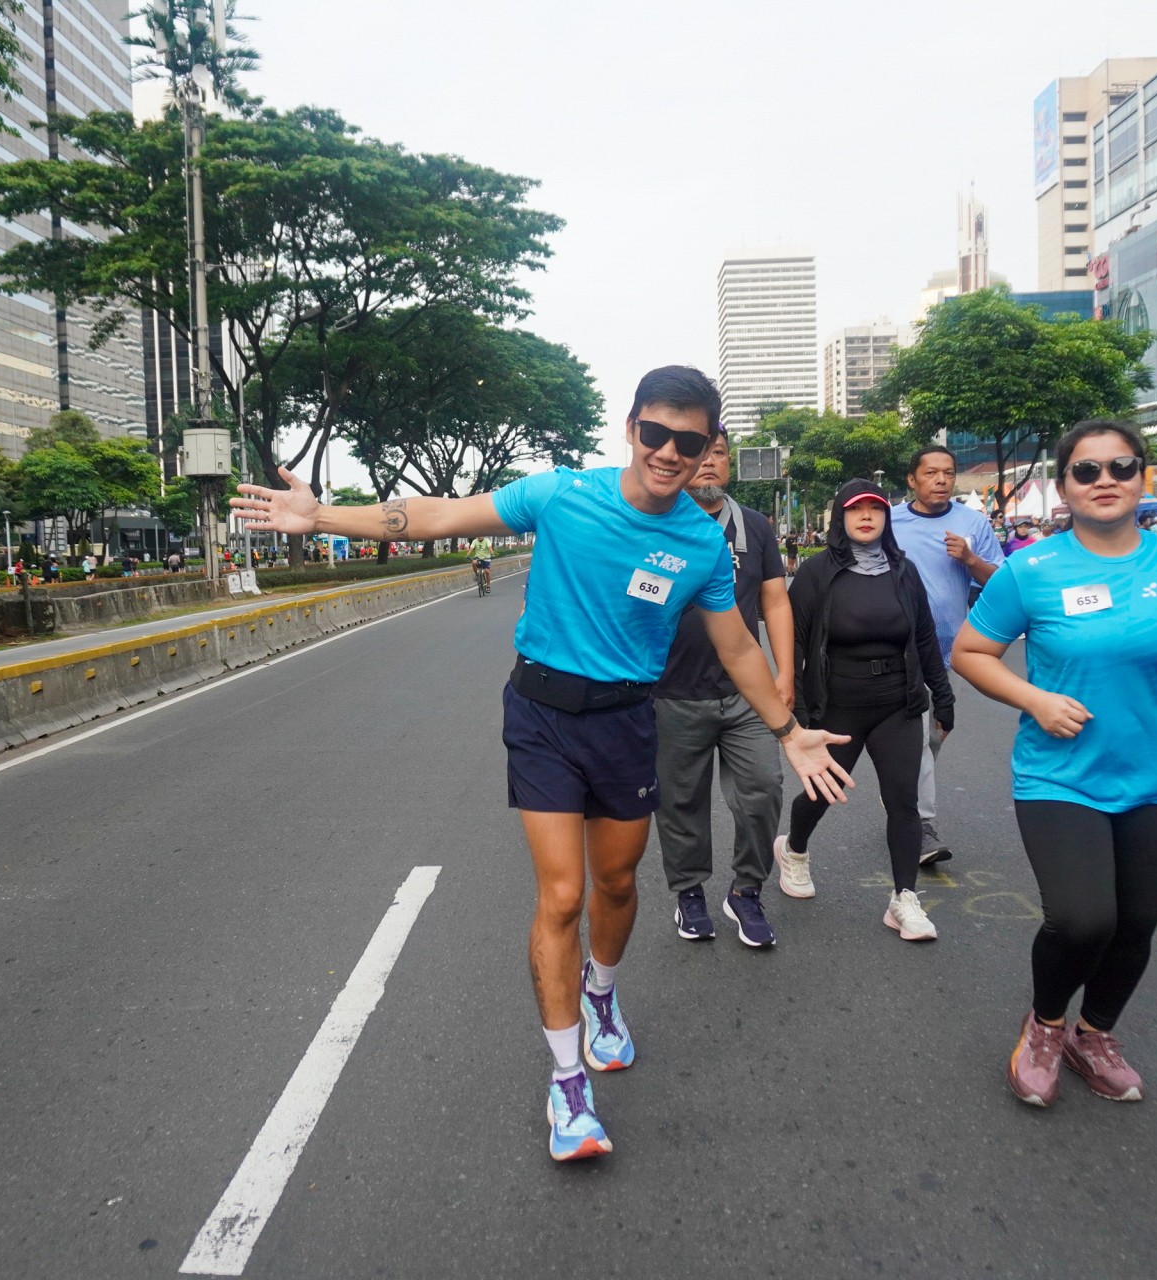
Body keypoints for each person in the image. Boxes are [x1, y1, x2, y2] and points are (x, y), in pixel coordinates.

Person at [230, 365, 854, 1162]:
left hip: (628, 721)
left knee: (617, 884)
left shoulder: (699, 542)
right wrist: (321, 515)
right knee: (562, 895)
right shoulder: (562, 494)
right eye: (655, 433)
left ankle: (602, 991)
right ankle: (567, 1084)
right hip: (541, 716)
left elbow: (735, 646)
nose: (669, 452)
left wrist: (787, 729)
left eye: (688, 441)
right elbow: (438, 513)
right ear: (631, 428)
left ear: (706, 451)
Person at [952, 420, 1157, 1108]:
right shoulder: (1031, 569)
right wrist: (1036, 700)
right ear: (1064, 486)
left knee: (1135, 926)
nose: (1104, 480)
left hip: (1152, 780)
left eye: (1121, 466)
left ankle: (1094, 1034)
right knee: (1083, 920)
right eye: (1086, 470)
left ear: (1142, 476)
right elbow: (969, 652)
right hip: (1058, 776)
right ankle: (1046, 1026)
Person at [780, 480, 954, 942]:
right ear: (841, 517)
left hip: (898, 704)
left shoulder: (903, 570)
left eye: (875, 509)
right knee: (821, 793)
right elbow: (793, 643)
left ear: (886, 518)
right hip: (837, 705)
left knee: (904, 801)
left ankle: (904, 899)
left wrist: (943, 697)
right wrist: (798, 711)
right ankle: (794, 850)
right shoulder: (816, 572)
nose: (866, 517)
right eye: (856, 510)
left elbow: (924, 638)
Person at [652, 424, 794, 947]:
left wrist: (785, 673)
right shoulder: (655, 522)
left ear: (730, 464)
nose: (709, 461)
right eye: (702, 452)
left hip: (746, 694)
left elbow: (775, 601)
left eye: (719, 453)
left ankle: (747, 890)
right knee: (680, 801)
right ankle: (689, 893)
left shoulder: (755, 527)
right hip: (671, 693)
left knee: (763, 789)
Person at [885, 446, 1002, 868]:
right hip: (902, 650)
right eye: (931, 473)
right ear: (912, 479)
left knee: (936, 736)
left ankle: (903, 799)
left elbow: (1001, 581)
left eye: (948, 473)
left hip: (952, 651)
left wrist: (970, 559)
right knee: (917, 739)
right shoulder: (890, 521)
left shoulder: (973, 523)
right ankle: (921, 825)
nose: (941, 480)